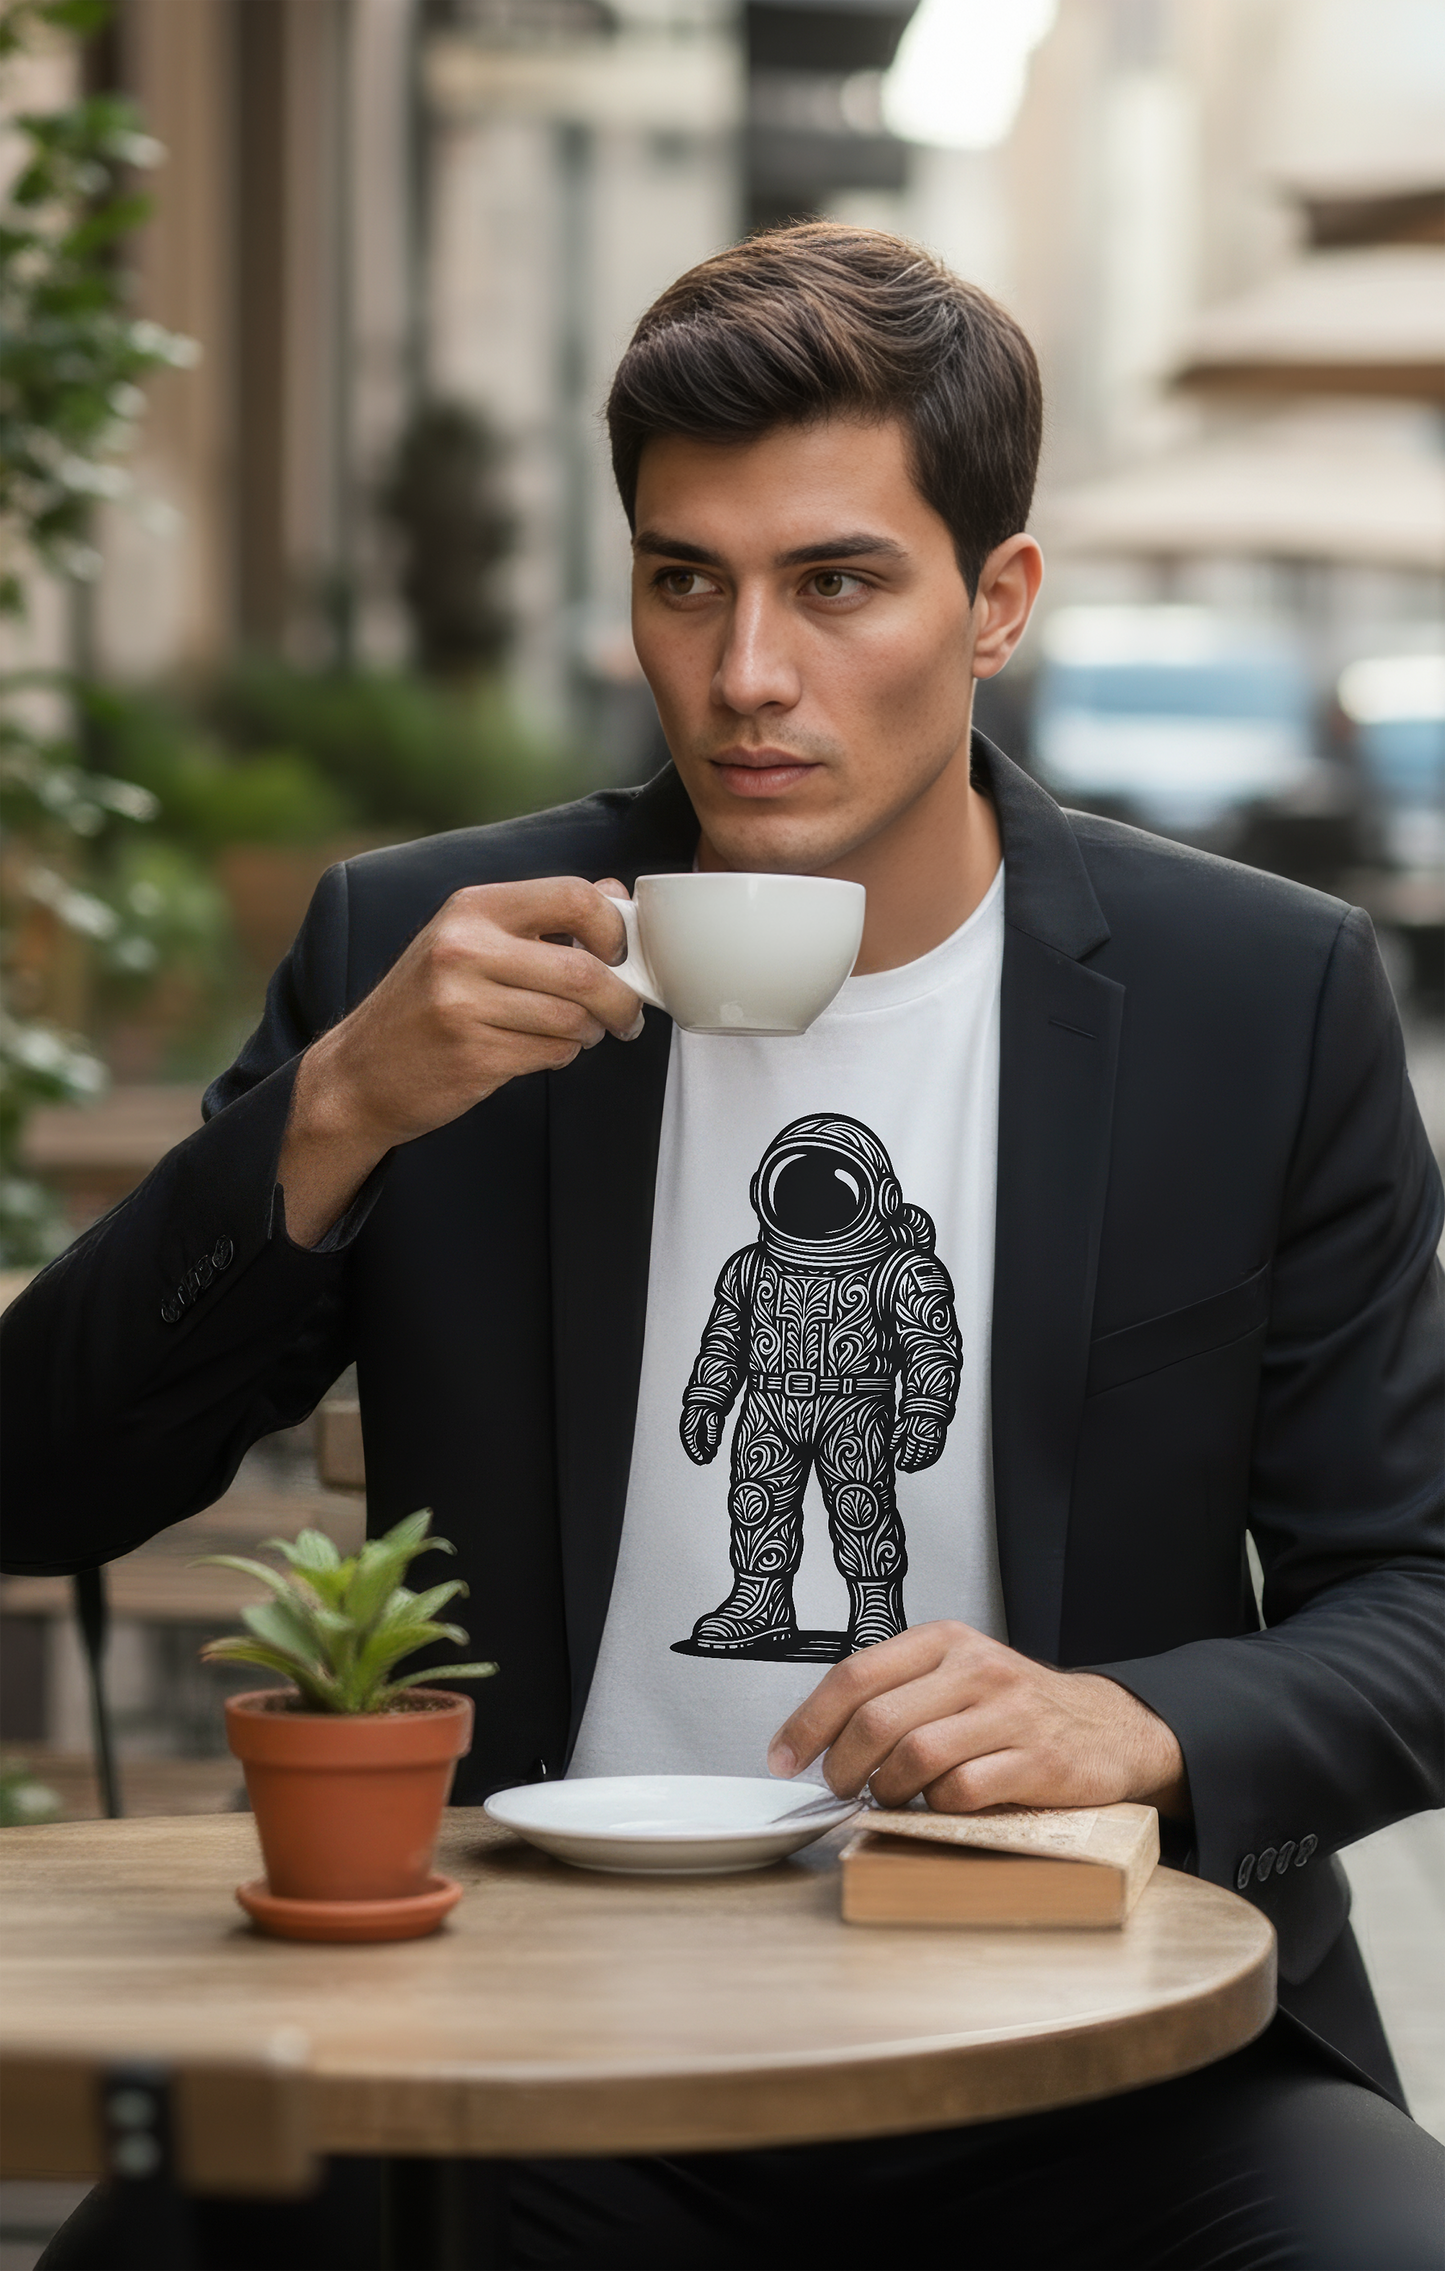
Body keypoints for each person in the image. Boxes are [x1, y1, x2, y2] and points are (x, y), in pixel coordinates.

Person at [9, 225, 1445, 2269]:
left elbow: (1411, 1596)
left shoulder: (1259, 997)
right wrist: (334, 1116)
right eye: (687, 581)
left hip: (1090, 2039)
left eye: (834, 582)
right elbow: (44, 1478)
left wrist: (1136, 1721)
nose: (745, 673)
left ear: (995, 602)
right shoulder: (423, 961)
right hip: (510, 2039)